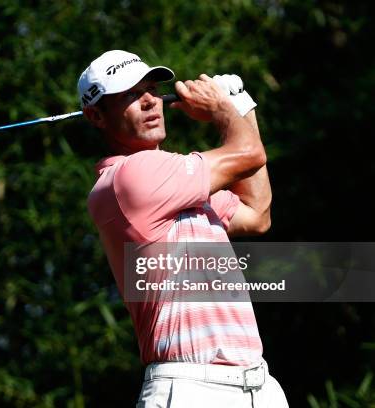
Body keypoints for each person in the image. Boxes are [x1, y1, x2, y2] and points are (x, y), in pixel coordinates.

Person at [79, 50, 289, 407]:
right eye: (130, 95)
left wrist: (241, 106)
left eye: (152, 89)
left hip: (258, 383)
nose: (150, 102)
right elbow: (249, 154)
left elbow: (257, 213)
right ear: (96, 115)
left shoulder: (178, 183)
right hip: (191, 387)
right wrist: (226, 110)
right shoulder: (131, 177)